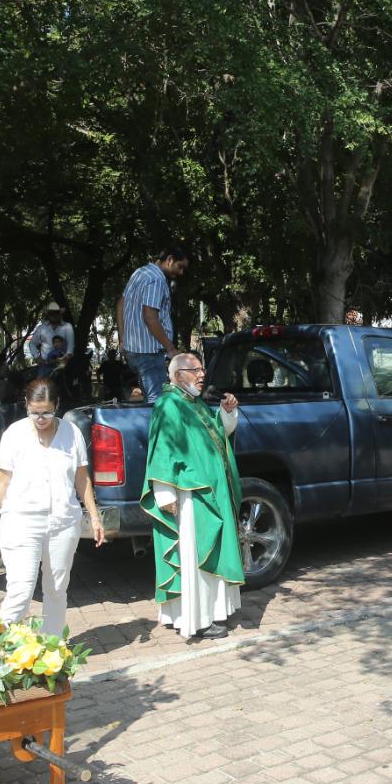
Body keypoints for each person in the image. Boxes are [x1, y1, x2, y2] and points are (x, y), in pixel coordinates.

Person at [0, 378, 105, 637]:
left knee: (57, 588)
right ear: (26, 406)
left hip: (63, 521)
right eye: (34, 412)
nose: (40, 418)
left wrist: (95, 516)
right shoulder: (14, 433)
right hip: (22, 522)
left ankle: (51, 648)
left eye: (46, 412)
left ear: (56, 405)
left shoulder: (72, 432)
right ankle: (1, 649)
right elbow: (2, 479)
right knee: (21, 589)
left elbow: (81, 477)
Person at [141, 352, 243, 639]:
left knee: (208, 552)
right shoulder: (168, 405)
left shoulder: (193, 403)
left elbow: (217, 434)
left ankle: (210, 612)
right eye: (194, 369)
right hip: (190, 495)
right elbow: (162, 449)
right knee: (195, 554)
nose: (202, 374)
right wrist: (164, 493)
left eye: (202, 369)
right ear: (176, 375)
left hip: (210, 492)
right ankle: (197, 619)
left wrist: (226, 412)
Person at [117, 247, 189, 402]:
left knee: (148, 400)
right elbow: (150, 317)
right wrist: (171, 349)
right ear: (169, 260)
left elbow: (120, 305)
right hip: (149, 352)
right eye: (180, 267)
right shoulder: (156, 279)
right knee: (157, 403)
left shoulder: (139, 273)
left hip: (133, 351)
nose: (181, 273)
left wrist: (123, 339)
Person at [27, 302, 75, 374]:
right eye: (51, 313)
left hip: (64, 365)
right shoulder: (41, 327)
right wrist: (37, 358)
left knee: (71, 382)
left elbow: (71, 346)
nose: (54, 315)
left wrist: (65, 358)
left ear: (60, 314)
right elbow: (32, 343)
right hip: (46, 365)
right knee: (40, 382)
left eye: (56, 313)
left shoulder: (67, 327)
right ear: (48, 315)